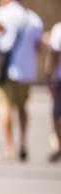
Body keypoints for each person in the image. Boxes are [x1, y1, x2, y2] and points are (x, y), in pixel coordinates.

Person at [0, 0, 43, 162]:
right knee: (23, 108)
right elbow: (38, 47)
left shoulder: (1, 14)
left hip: (7, 68)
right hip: (27, 70)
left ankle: (8, 148)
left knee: (5, 107)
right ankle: (23, 143)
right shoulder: (34, 18)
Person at [47, 21, 61, 162]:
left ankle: (59, 146)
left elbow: (55, 53)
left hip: (59, 78)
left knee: (55, 115)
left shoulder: (58, 29)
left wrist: (50, 76)